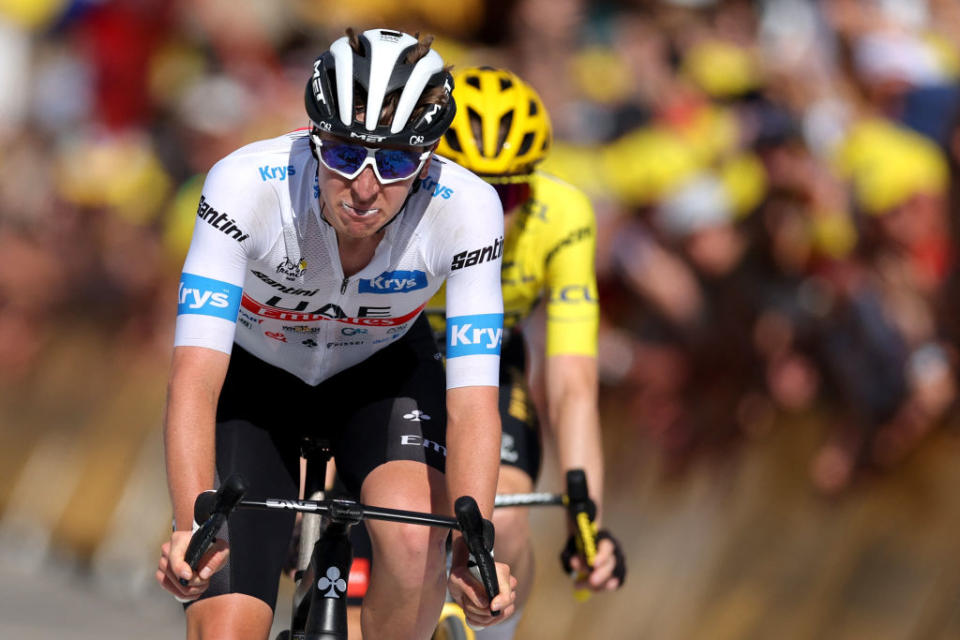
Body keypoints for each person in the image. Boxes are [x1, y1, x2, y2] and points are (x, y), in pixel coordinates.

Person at [154, 29, 517, 640]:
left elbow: (475, 401)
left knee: (414, 542)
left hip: (381, 377)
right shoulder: (245, 186)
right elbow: (194, 376)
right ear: (315, 138)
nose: (367, 188)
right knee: (226, 630)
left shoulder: (469, 208)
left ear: (428, 160)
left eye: (397, 162)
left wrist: (472, 542)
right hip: (255, 381)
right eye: (346, 156)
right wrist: (191, 524)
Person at [344, 66, 627, 640]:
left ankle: (488, 631)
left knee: (508, 514)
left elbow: (572, 381)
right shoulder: (392, 206)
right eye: (474, 185)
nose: (490, 209)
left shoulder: (565, 218)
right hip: (387, 357)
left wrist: (586, 518)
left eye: (511, 192)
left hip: (492, 365)